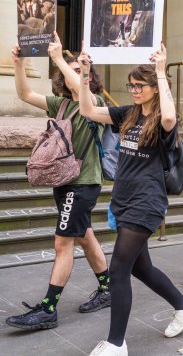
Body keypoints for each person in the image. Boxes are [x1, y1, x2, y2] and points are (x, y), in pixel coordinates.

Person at [78, 45, 183, 356]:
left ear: (153, 88)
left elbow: (171, 116)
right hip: (123, 199)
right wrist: (83, 77)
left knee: (118, 269)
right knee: (140, 268)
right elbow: (89, 111)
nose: (133, 90)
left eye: (138, 85)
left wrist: (161, 72)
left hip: (146, 201)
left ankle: (117, 343)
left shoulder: (163, 121)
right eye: (131, 85)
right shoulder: (128, 113)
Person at [5, 35, 111, 332]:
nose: (74, 74)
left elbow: (82, 88)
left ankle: (49, 309)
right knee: (84, 235)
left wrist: (60, 61)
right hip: (63, 180)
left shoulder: (97, 104)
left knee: (62, 242)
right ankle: (107, 287)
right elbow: (26, 94)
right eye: (71, 71)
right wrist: (18, 63)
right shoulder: (61, 105)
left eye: (81, 70)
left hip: (84, 183)